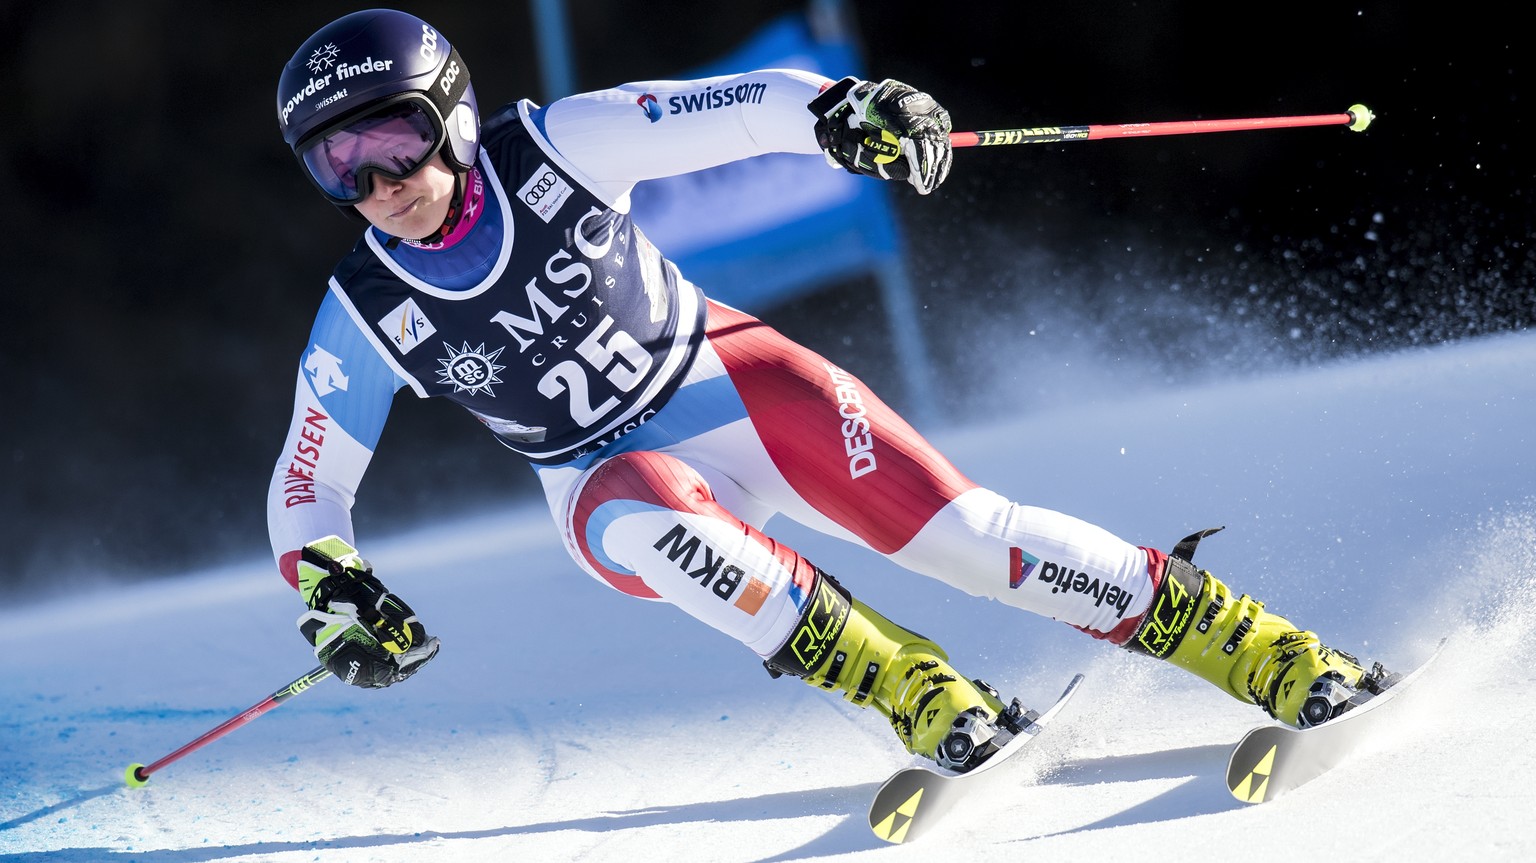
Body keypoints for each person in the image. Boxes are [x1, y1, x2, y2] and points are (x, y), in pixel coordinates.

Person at [269, 9, 1389, 772]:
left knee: (967, 539)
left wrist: (847, 113)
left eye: (395, 140)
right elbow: (306, 487)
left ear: (453, 114)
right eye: (337, 167)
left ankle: (1257, 646)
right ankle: (917, 688)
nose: (379, 183)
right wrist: (335, 585)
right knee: (647, 508)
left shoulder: (557, 149)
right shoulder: (370, 306)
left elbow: (741, 106)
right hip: (605, 481)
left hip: (730, 377)